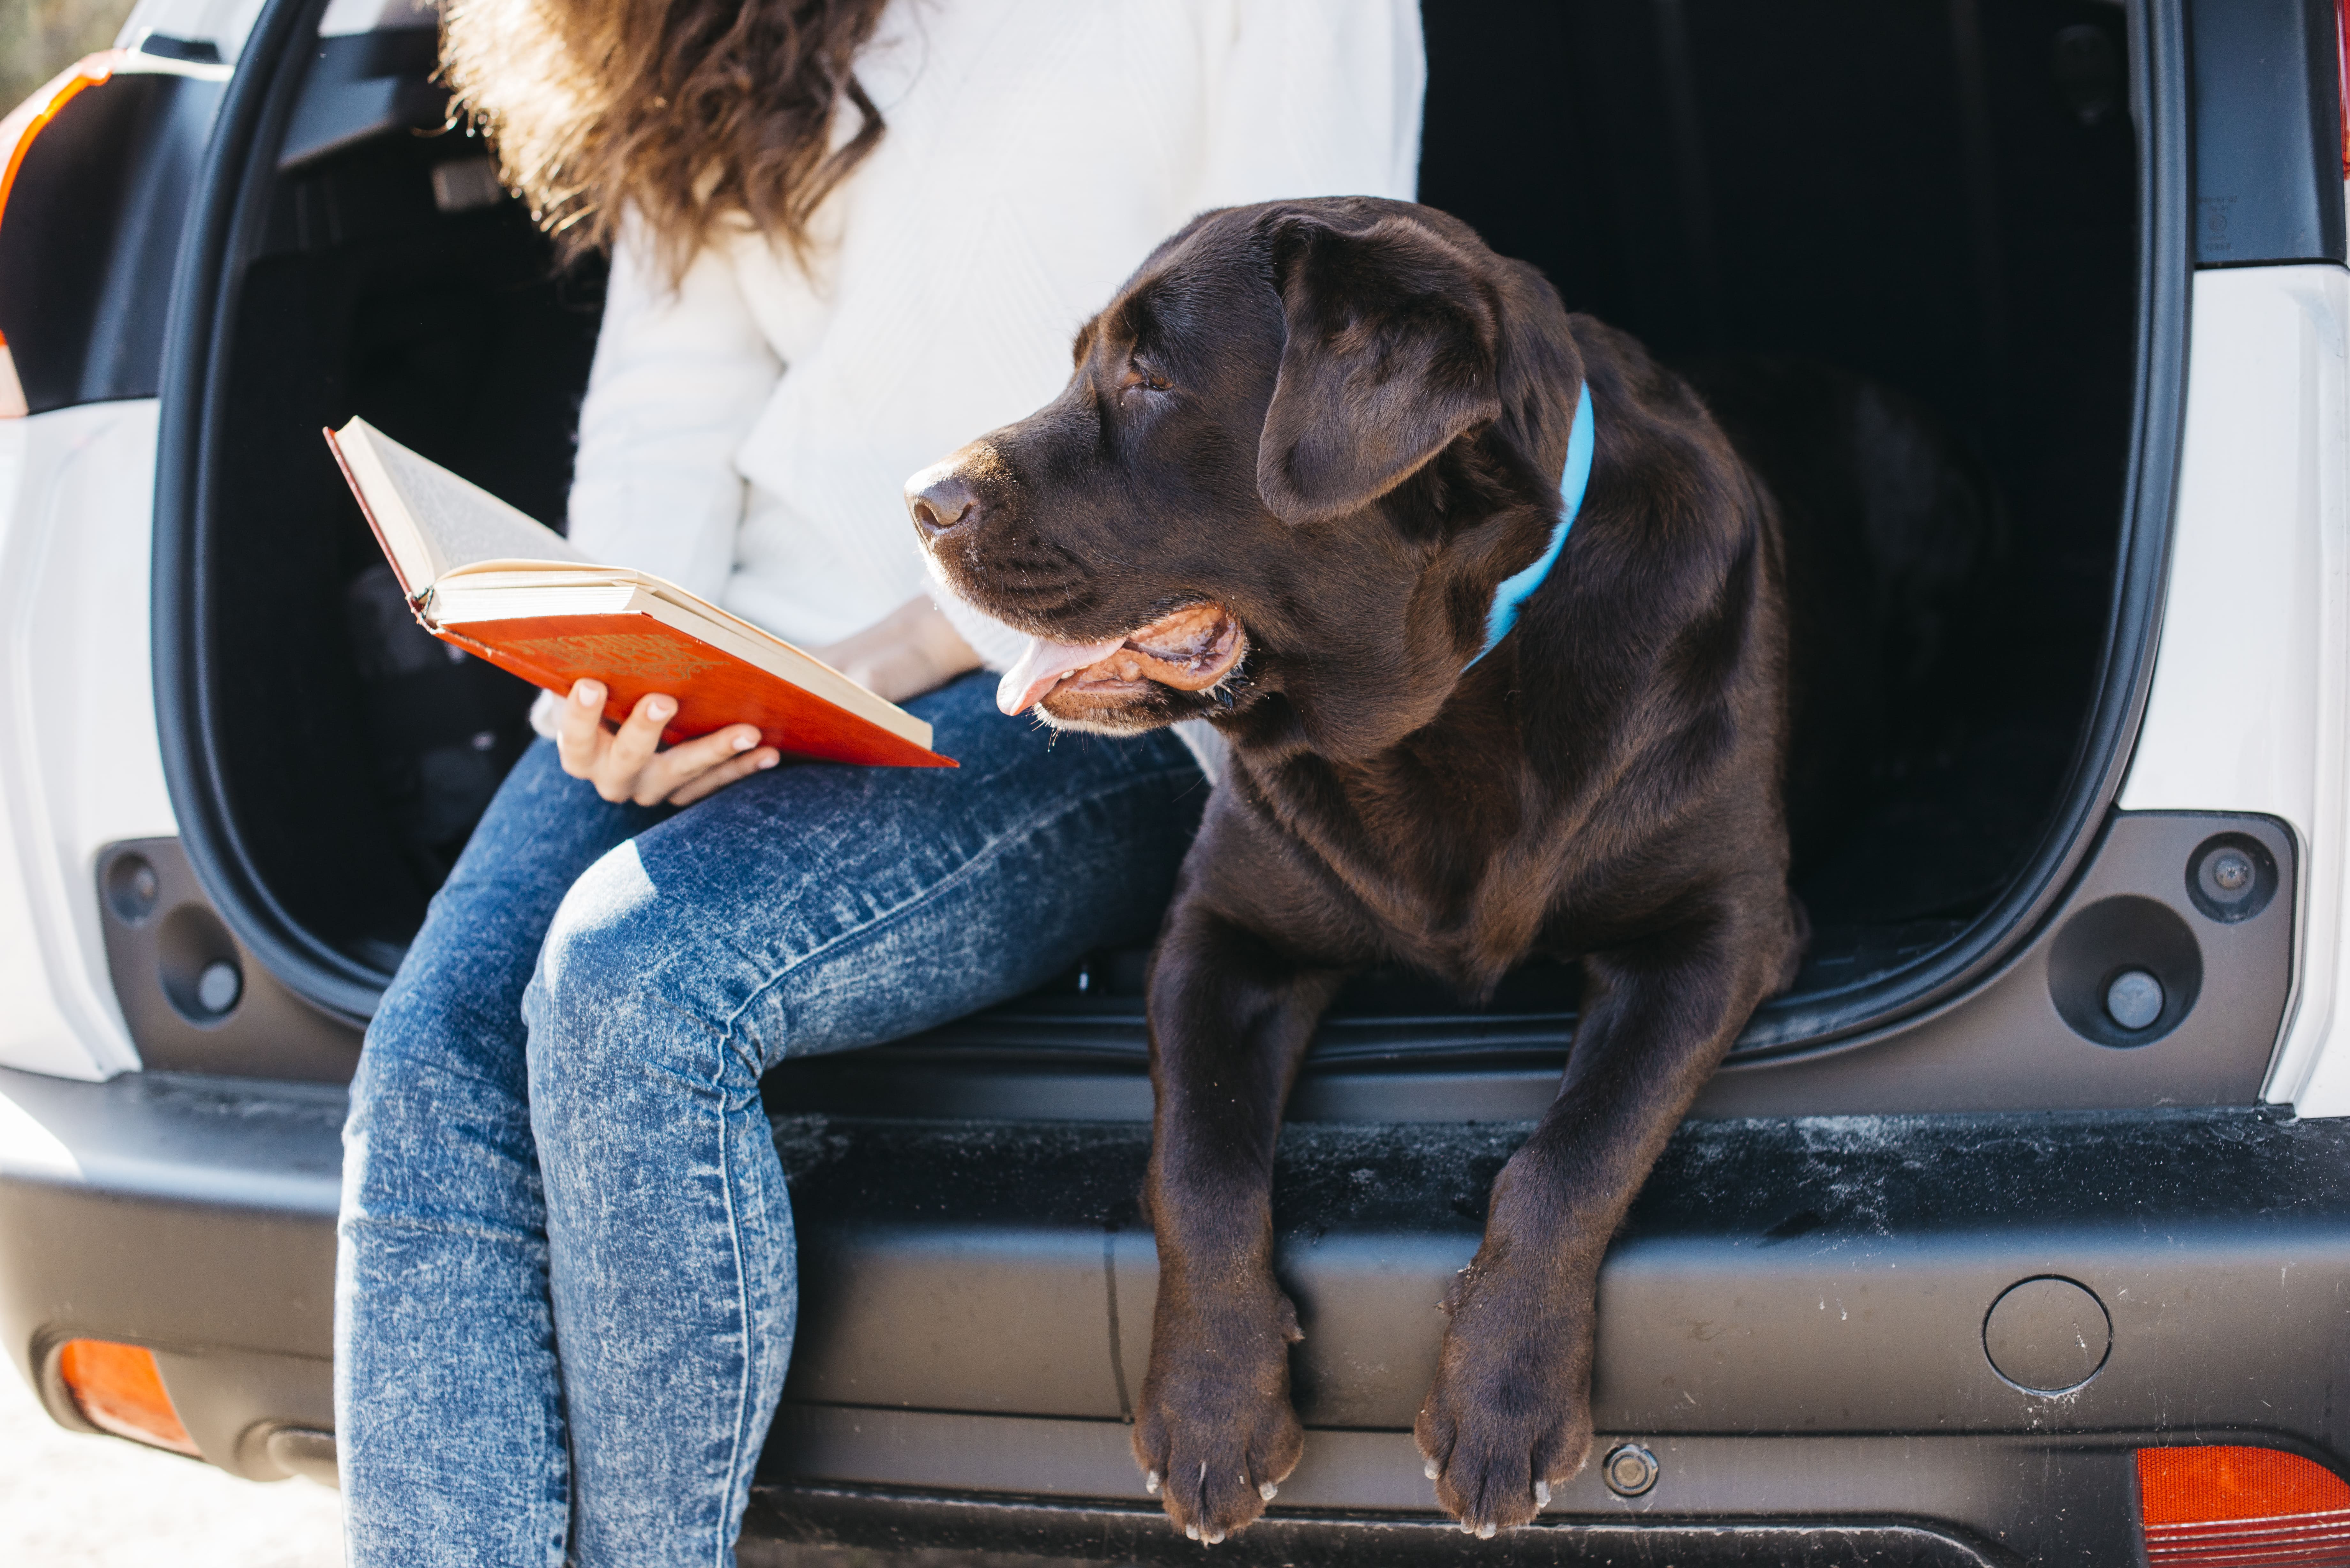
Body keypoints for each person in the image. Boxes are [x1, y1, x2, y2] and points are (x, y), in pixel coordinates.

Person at [331, 2, 1425, 1564]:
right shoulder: (723, 22)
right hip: (754, 652)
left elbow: (1290, 418)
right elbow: (669, 398)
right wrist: (606, 659)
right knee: (435, 1046)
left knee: (632, 987)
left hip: (1086, 675)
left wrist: (922, 633)